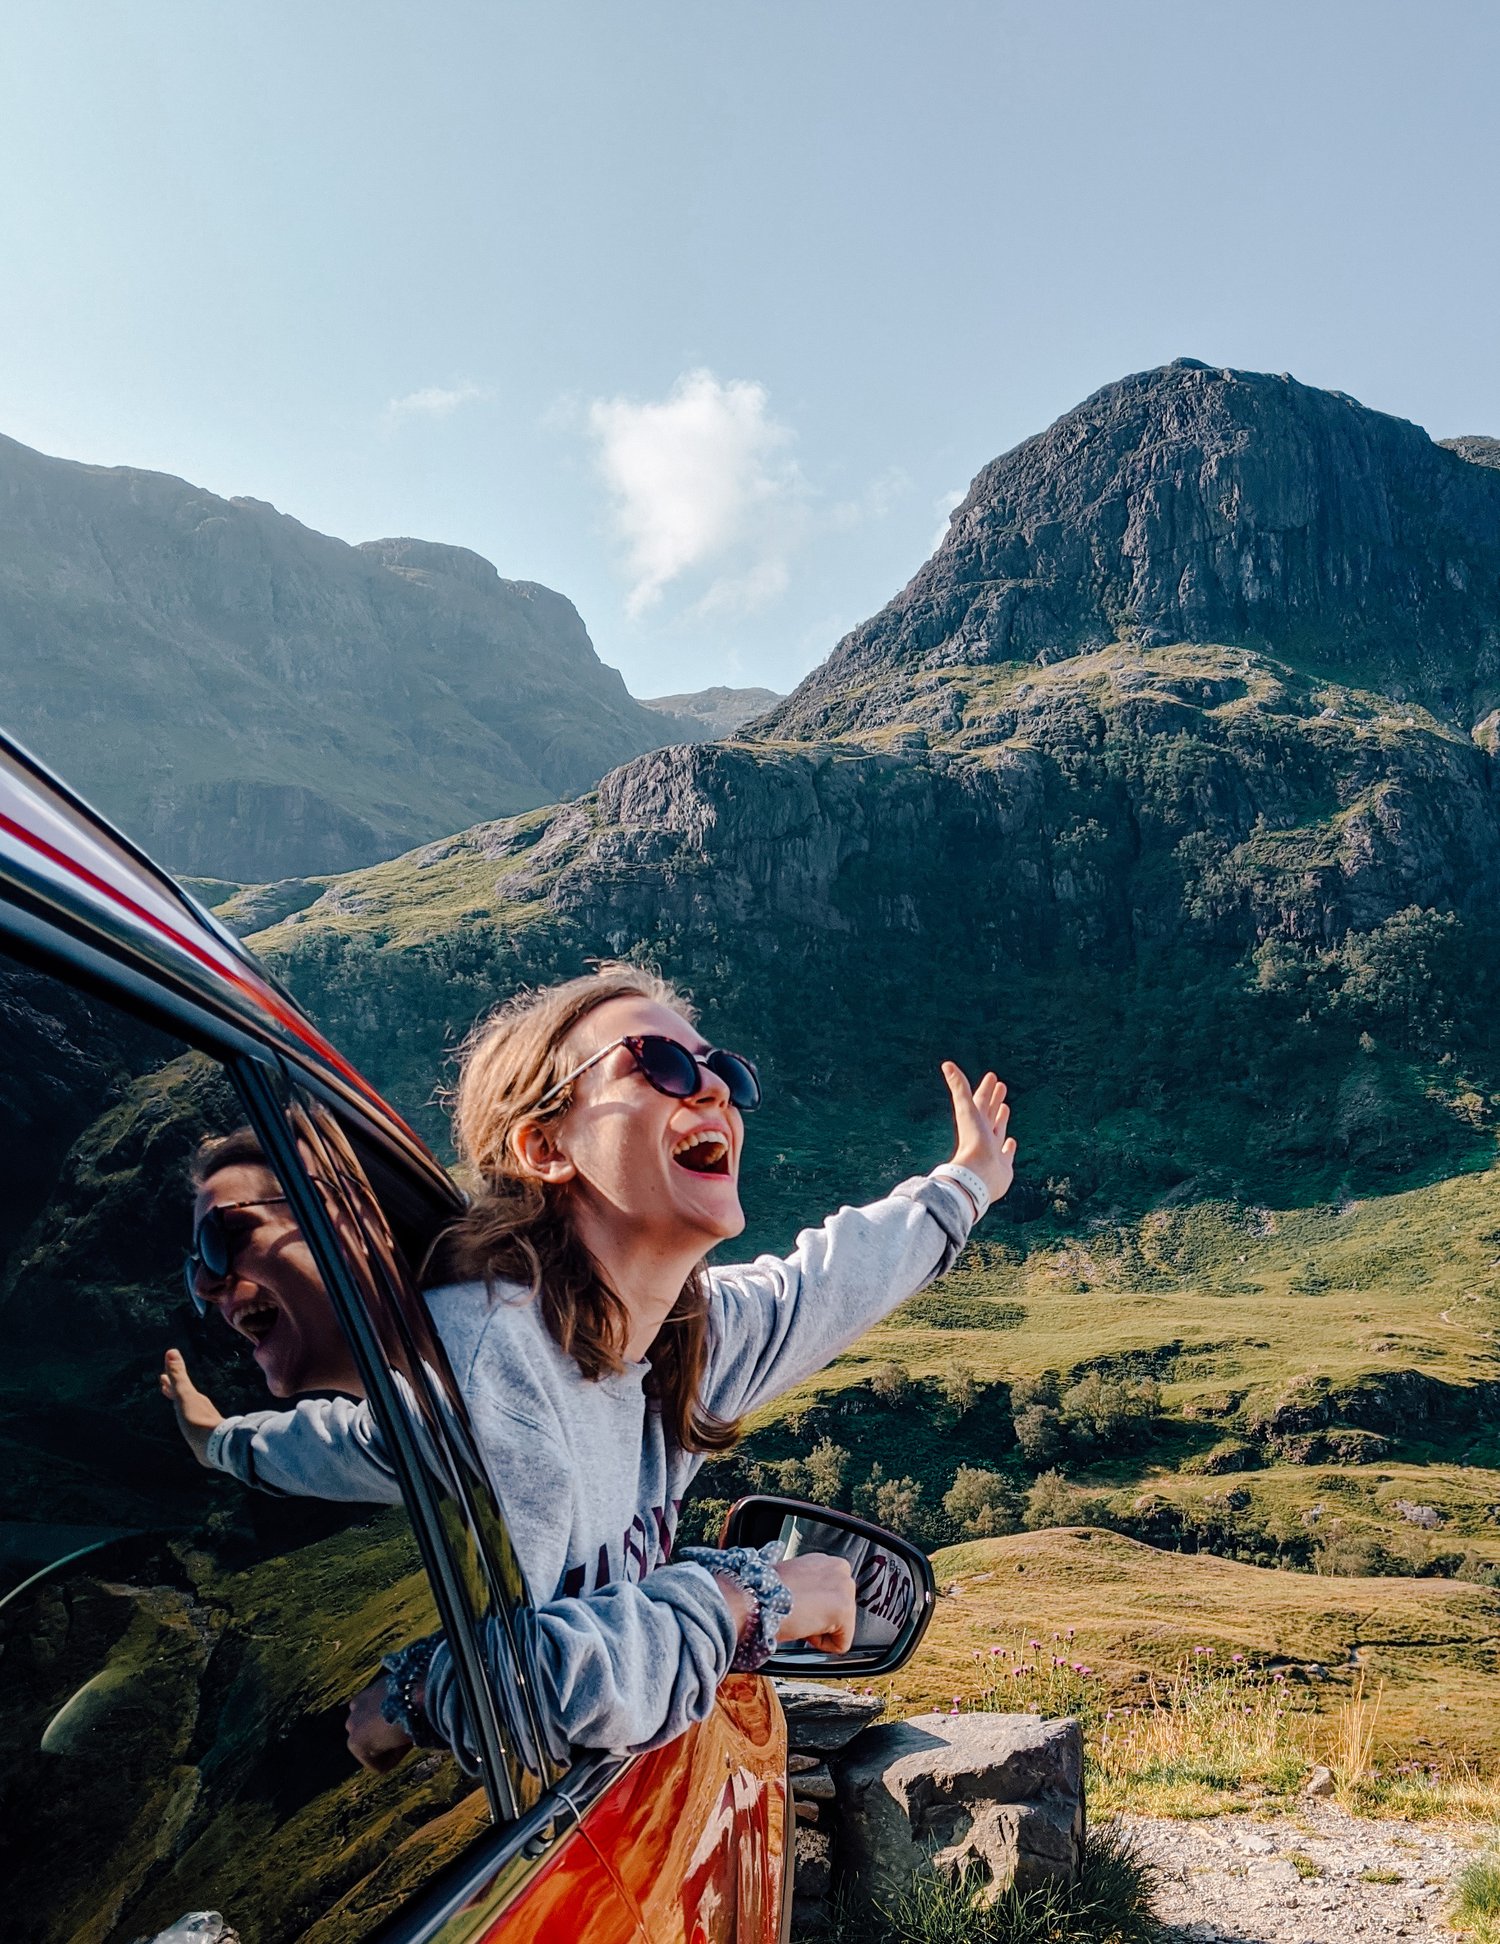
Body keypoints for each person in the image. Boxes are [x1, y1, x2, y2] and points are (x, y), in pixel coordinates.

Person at [162, 965, 1015, 1769]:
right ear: (544, 1146)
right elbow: (533, 1693)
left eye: (725, 1072)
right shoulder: (493, 1356)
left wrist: (967, 1182)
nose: (713, 1085)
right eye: (662, 1065)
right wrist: (758, 1593)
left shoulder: (681, 1334)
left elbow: (832, 1281)